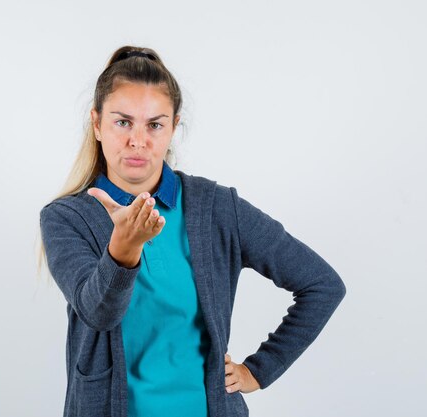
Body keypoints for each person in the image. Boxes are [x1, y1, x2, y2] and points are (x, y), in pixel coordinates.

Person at [37, 45, 346, 417]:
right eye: (123, 122)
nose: (138, 140)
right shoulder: (66, 217)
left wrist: (258, 371)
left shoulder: (215, 207)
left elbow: (321, 285)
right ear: (97, 124)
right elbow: (98, 313)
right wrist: (123, 248)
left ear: (173, 128)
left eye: (155, 124)